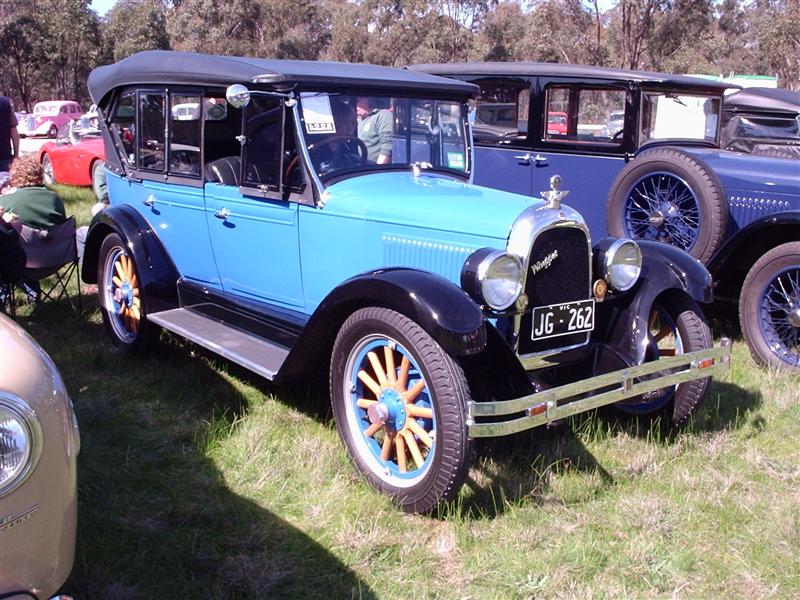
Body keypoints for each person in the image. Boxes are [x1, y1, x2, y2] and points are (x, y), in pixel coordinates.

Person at [0, 156, 66, 230]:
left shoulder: (4, 201)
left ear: (14, 177)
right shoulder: (55, 198)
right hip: (55, 240)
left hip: (22, 240)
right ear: (40, 175)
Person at [356, 97, 393, 164]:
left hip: (374, 170)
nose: (355, 104)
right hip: (360, 168)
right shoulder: (357, 120)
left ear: (368, 99)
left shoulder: (382, 115)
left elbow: (388, 144)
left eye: (358, 100)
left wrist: (378, 168)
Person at [0, 96, 19, 173]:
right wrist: (16, 154)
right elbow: (14, 132)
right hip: (4, 156)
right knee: (5, 183)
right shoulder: (5, 103)